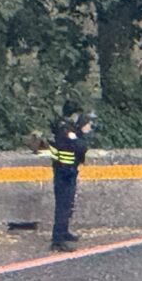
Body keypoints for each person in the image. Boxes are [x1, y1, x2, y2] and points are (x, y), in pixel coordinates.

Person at [48, 101, 93, 252]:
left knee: (68, 204)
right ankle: (57, 240)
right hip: (64, 172)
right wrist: (82, 134)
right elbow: (79, 146)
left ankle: (64, 232)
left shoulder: (63, 127)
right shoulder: (66, 130)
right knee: (63, 206)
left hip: (66, 170)